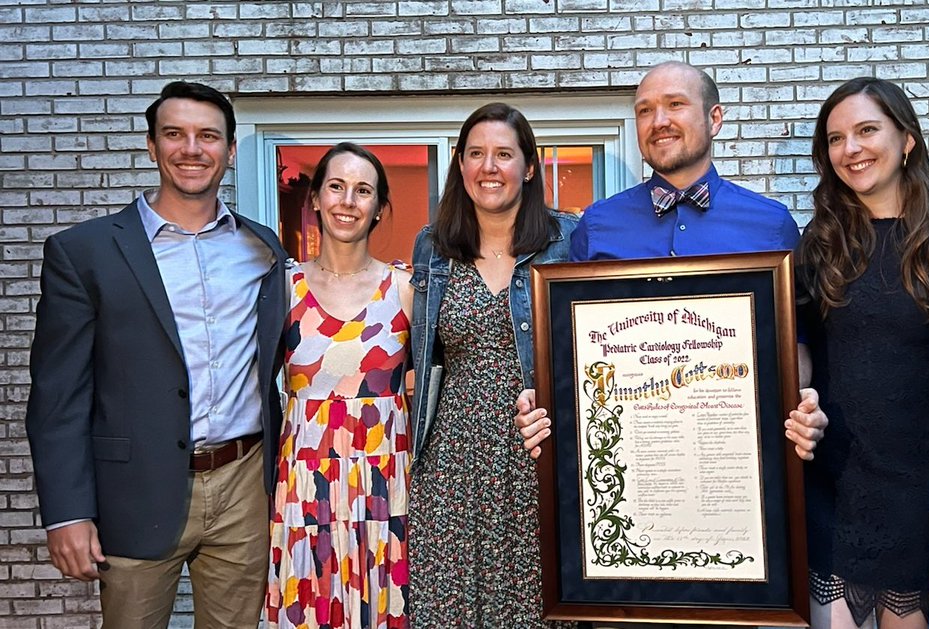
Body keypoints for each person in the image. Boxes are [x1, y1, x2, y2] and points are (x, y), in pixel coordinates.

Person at [24, 81, 286, 627]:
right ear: (151, 145)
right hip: (133, 489)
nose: (192, 148)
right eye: (175, 134)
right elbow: (57, 396)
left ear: (231, 150)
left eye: (208, 136)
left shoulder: (262, 249)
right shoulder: (84, 252)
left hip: (245, 485)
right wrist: (68, 513)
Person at [517, 61, 827, 462]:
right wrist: (546, 397)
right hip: (631, 457)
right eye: (645, 110)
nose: (658, 120)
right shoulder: (597, 226)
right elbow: (571, 346)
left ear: (714, 118)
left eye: (675, 104)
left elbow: (796, 338)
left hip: (740, 455)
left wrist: (796, 403)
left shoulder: (770, 224)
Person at [794, 77, 929, 629]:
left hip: (924, 485)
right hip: (836, 479)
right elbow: (799, 345)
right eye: (835, 138)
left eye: (866, 130)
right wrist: (799, 399)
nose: (850, 150)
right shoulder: (819, 238)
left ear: (907, 140)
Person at [406, 103, 578, 628]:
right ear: (460, 165)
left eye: (504, 154)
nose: (489, 167)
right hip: (450, 459)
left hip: (539, 448)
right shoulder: (433, 247)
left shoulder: (568, 241)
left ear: (529, 166)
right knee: (451, 602)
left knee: (540, 601)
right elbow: (420, 356)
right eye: (476, 154)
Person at [265, 143, 413, 628]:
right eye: (336, 186)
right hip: (306, 486)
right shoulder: (283, 288)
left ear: (377, 208)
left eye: (363, 190)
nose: (348, 200)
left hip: (386, 488)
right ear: (314, 198)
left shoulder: (405, 289)